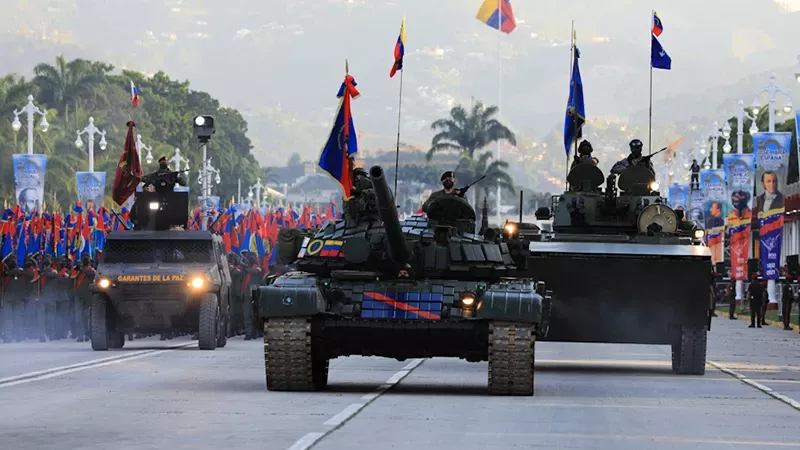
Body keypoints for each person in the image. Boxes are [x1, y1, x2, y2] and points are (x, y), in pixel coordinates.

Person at [73, 254, 95, 342]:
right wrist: (77, 269)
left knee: (86, 316)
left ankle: (87, 334)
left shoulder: (90, 270)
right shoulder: (78, 271)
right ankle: (81, 334)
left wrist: (82, 269)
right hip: (79, 296)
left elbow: (91, 273)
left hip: (87, 296)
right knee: (79, 316)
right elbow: (71, 277)